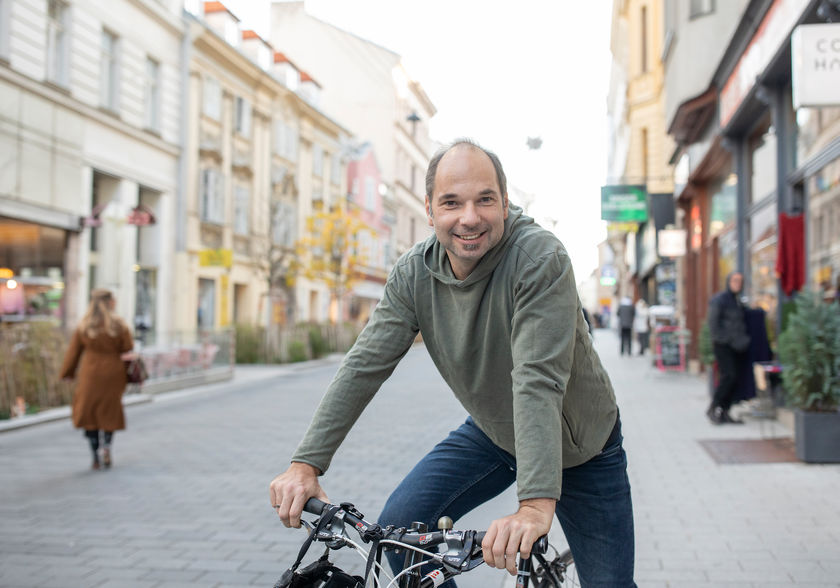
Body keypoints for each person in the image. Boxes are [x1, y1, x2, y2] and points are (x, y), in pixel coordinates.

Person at [270, 139, 636, 586]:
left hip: (581, 447)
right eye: (451, 203)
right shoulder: (414, 273)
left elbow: (537, 380)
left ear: (504, 202)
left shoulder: (539, 259)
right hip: (494, 431)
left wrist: (535, 505)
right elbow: (364, 364)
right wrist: (306, 463)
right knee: (404, 529)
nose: (469, 217)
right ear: (429, 210)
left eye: (485, 200)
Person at [59, 288, 135, 469]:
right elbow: (128, 348)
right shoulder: (119, 324)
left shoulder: (85, 325)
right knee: (109, 410)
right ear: (110, 302)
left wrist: (67, 373)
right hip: (113, 372)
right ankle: (107, 445)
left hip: (90, 373)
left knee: (89, 411)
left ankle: (94, 454)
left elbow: (73, 353)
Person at [706, 272, 750, 424]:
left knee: (735, 378)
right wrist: (725, 339)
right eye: (735, 280)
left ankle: (725, 411)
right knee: (728, 376)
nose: (738, 283)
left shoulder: (737, 301)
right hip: (724, 346)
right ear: (728, 281)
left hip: (737, 347)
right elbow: (713, 324)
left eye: (740, 281)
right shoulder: (720, 300)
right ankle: (714, 407)